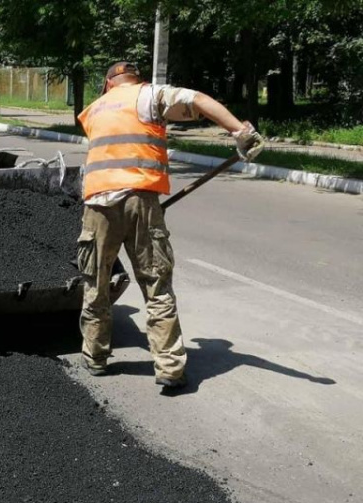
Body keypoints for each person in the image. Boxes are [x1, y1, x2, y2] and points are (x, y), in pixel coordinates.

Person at [76, 61, 264, 388]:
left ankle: (95, 357)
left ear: (107, 85)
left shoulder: (94, 109)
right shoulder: (149, 95)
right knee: (157, 285)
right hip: (141, 202)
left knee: (96, 283)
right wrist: (241, 132)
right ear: (138, 79)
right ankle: (170, 369)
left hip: (98, 206)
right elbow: (199, 101)